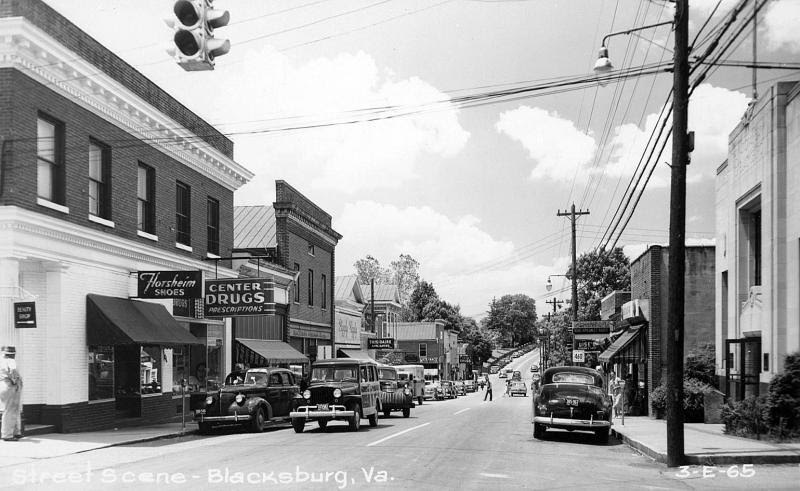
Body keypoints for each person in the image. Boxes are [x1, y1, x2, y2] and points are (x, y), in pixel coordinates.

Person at [0, 346, 23, 441]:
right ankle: (7, 435)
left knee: (12, 409)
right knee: (11, 410)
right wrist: (15, 381)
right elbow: (13, 371)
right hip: (9, 385)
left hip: (2, 384)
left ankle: (16, 432)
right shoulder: (10, 361)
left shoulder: (1, 361)